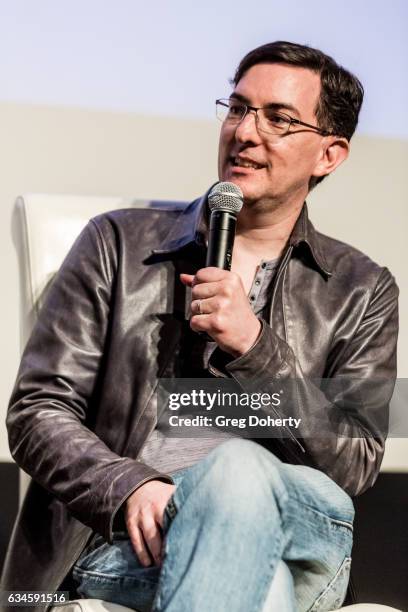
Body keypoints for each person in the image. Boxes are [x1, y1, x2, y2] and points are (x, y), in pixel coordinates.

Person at [1, 41, 398, 612]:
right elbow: (38, 410)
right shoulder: (118, 244)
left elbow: (354, 459)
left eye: (278, 119)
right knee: (265, 588)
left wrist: (255, 348)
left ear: (329, 154)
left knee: (237, 472)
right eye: (237, 108)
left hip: (301, 527)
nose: (244, 131)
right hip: (132, 539)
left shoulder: (362, 290)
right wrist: (128, 484)